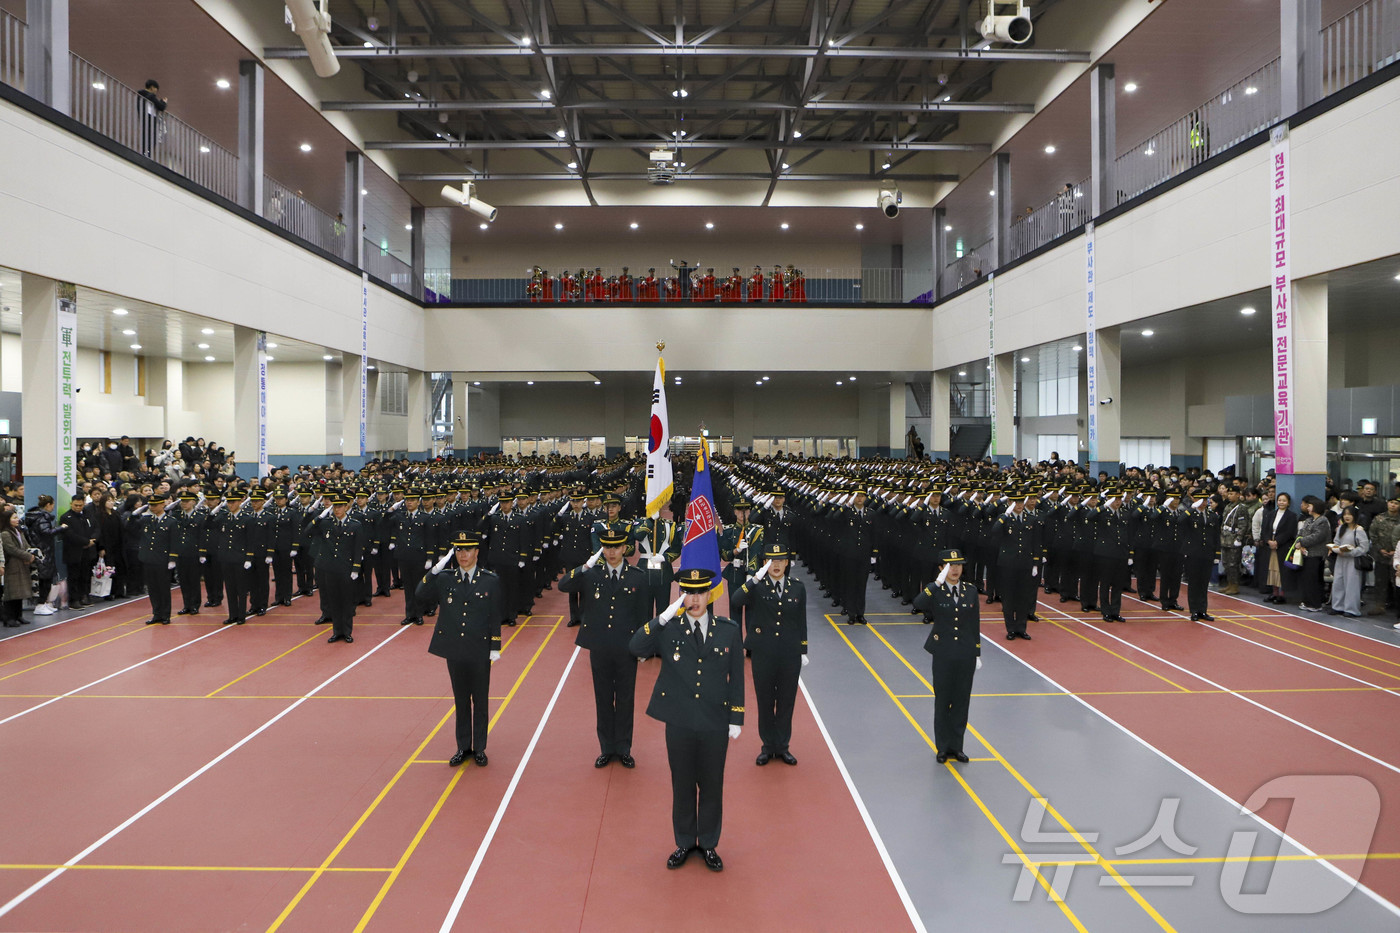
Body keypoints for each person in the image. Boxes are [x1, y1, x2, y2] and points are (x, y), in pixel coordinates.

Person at [629, 568, 744, 873]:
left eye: (699, 593)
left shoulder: (729, 630)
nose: (694, 599)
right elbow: (636, 647)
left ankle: (707, 843)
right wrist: (663, 617)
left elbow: (737, 680)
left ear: (710, 594)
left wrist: (736, 718)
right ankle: (683, 841)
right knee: (682, 784)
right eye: (688, 593)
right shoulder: (669, 629)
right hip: (679, 721)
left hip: (715, 721)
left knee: (711, 784)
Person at [558, 531, 649, 768]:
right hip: (599, 647)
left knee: (626, 699)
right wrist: (586, 565)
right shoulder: (592, 575)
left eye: (616, 547)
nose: (611, 552)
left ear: (624, 549)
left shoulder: (637, 577)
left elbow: (643, 615)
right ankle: (607, 748)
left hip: (626, 648)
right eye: (606, 547)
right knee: (604, 698)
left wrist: (642, 648)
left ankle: (624, 748)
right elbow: (563, 584)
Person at [419, 533, 502, 768]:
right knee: (461, 700)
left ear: (477, 552)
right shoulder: (445, 578)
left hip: (478, 649)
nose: (463, 555)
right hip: (455, 649)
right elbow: (420, 593)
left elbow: (494, 616)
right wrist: (435, 569)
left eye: (467, 550)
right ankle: (463, 746)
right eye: (458, 551)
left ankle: (480, 748)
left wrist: (495, 645)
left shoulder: (490, 580)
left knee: (480, 701)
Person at [733, 543, 807, 766]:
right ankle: (767, 747)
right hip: (763, 654)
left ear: (787, 563)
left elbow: (801, 621)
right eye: (771, 561)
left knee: (786, 702)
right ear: (766, 563)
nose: (776, 565)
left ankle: (782, 747)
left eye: (780, 560)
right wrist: (754, 579)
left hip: (789, 655)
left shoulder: (797, 587)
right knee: (765, 702)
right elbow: (736, 600)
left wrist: (803, 649)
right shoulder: (757, 586)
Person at [912, 549, 981, 763]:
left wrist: (977, 651)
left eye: (959, 565)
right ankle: (942, 747)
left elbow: (974, 624)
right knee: (943, 701)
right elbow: (918, 604)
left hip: (965, 654)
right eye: (951, 566)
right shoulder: (936, 591)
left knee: (961, 701)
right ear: (942, 569)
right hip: (943, 654)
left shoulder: (970, 590)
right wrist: (935, 583)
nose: (956, 569)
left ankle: (956, 747)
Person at [314, 492, 365, 643]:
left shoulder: (355, 525)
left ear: (346, 506)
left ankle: (347, 631)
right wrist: (319, 516)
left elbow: (358, 549)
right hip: (330, 569)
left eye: (340, 506)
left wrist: (356, 568)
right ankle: (337, 631)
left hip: (346, 569)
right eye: (335, 506)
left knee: (347, 602)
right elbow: (307, 530)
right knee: (334, 601)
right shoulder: (327, 523)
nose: (337, 509)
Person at [135, 493, 177, 625]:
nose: (152, 507)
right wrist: (135, 513)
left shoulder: (171, 521)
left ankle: (165, 614)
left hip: (163, 560)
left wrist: (172, 558)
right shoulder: (147, 520)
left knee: (163, 588)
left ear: (163, 504)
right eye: (151, 505)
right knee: (152, 588)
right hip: (148, 558)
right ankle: (156, 613)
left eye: (155, 505)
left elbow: (174, 542)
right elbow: (130, 527)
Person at [1328, 507, 1370, 617]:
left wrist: (1350, 552)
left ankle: (1351, 609)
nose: (1347, 516)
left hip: (1353, 560)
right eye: (1345, 514)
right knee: (1338, 582)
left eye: (1349, 514)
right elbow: (1336, 542)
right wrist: (1336, 548)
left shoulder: (1359, 530)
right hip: (1341, 559)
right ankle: (1337, 606)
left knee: (1352, 584)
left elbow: (1364, 548)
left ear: (1355, 516)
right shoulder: (1341, 528)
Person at [60, 491, 97, 609]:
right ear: (71, 504)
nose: (77, 507)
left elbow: (96, 528)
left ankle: (84, 596)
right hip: (73, 552)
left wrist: (92, 541)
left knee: (85, 575)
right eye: (75, 505)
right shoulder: (66, 517)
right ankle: (74, 600)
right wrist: (85, 542)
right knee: (74, 576)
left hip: (88, 551)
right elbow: (69, 535)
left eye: (80, 505)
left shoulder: (89, 514)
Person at [1295, 495, 1331, 611]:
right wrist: (1299, 542)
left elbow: (1317, 537)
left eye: (1309, 506)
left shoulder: (1323, 521)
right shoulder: (1309, 520)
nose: (1308, 508)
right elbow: (1300, 532)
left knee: (1314, 579)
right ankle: (1307, 601)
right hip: (1306, 553)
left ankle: (1315, 603)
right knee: (1306, 579)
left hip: (1316, 554)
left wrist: (1302, 542)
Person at [24, 496, 58, 614]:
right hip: (44, 551)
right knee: (44, 579)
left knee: (45, 578)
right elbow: (46, 532)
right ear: (48, 505)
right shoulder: (42, 518)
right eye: (52, 504)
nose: (53, 507)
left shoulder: (35, 517)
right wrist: (60, 529)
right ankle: (41, 603)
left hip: (42, 550)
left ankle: (43, 602)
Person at [1, 509, 35, 626]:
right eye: (14, 518)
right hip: (12, 565)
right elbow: (11, 549)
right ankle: (9, 617)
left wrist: (30, 554)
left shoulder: (18, 531)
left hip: (22, 564)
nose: (17, 520)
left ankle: (18, 615)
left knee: (19, 592)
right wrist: (27, 555)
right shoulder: (5, 534)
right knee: (11, 593)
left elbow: (25, 545)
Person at [137, 79, 167, 159]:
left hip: (145, 117)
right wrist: (163, 102)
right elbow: (161, 107)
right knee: (151, 138)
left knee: (146, 136)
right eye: (156, 89)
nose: (156, 91)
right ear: (152, 87)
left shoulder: (141, 95)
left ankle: (145, 153)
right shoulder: (150, 96)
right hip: (150, 119)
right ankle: (147, 155)